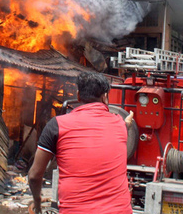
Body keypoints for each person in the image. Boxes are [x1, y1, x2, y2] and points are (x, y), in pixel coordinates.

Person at [27, 72, 133, 214]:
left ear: (78, 96)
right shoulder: (119, 124)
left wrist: (38, 204)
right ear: (105, 98)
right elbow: (125, 124)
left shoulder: (57, 125)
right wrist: (128, 121)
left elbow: (34, 175)